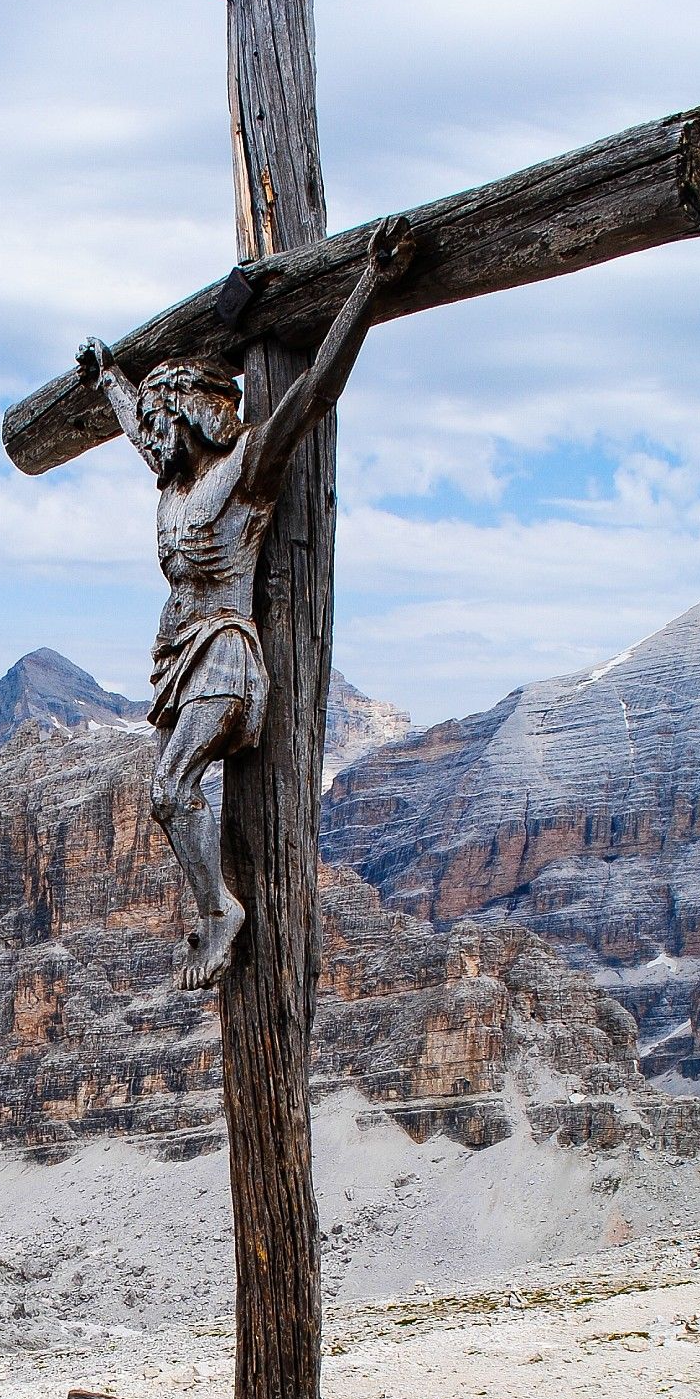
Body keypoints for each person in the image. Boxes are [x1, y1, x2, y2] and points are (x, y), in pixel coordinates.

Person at [77, 214, 415, 988]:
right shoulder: (173, 481)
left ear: (191, 415)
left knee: (170, 790)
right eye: (149, 424)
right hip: (178, 658)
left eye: (161, 421)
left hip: (225, 653)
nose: (151, 436)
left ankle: (219, 912)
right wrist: (110, 381)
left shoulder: (244, 471)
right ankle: (214, 908)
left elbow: (315, 391)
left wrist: (369, 284)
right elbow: (133, 427)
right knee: (169, 794)